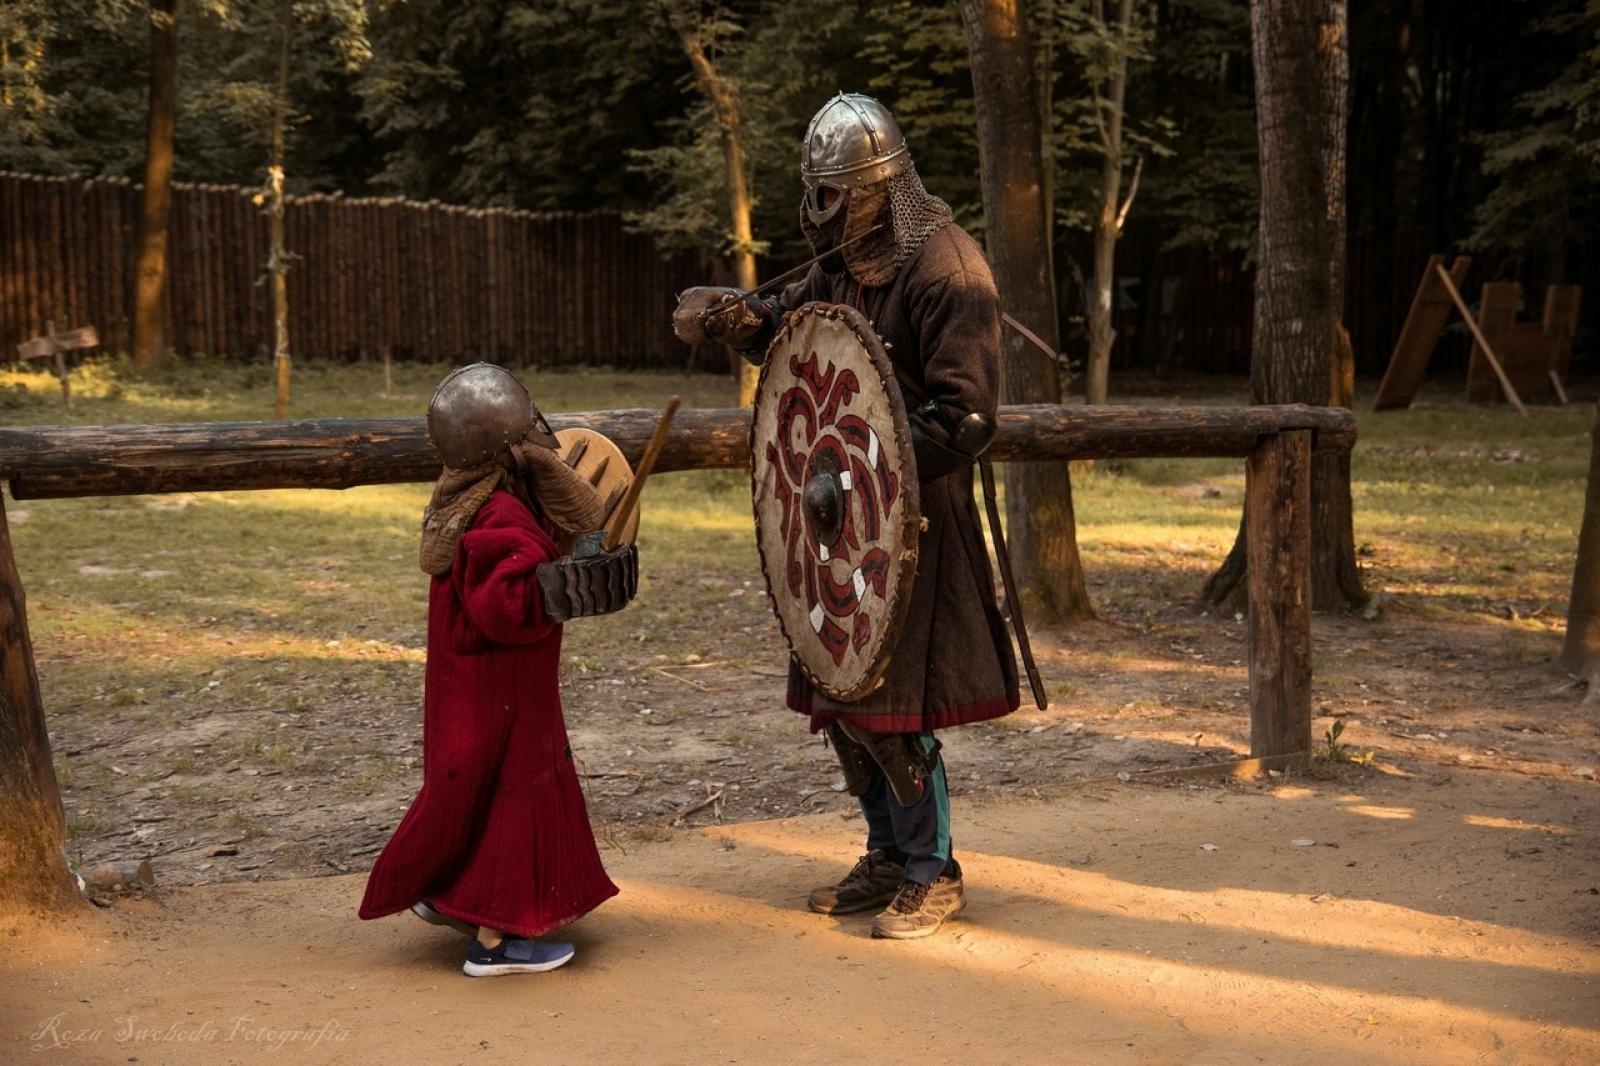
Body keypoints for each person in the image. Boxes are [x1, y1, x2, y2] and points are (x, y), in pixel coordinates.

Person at [673, 93, 1019, 939]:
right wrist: (740, 319)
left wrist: (880, 476)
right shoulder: (845, 257)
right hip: (833, 518)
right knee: (841, 701)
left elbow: (965, 420)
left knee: (891, 708)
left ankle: (934, 870)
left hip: (912, 525)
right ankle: (885, 856)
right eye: (815, 195)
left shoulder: (947, 271)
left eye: (837, 195)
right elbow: (806, 336)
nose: (820, 215)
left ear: (883, 187)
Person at [359, 363, 619, 976]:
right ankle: (502, 940)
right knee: (513, 803)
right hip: (503, 688)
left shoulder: (465, 496)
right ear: (508, 445)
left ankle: (448, 890)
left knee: (468, 792)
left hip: (471, 683)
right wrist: (563, 584)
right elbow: (505, 606)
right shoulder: (499, 516)